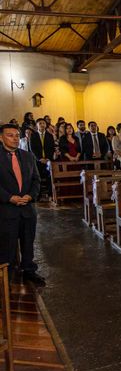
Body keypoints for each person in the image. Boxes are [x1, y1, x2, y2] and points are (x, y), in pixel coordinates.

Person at [0, 123, 45, 286]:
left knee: (28, 243)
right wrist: (8, 197)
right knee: (8, 246)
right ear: (1, 137)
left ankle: (29, 271)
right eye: (10, 135)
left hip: (27, 209)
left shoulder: (28, 156)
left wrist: (30, 196)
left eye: (17, 135)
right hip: (6, 210)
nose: (14, 138)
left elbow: (36, 180)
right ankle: (8, 277)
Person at [30, 118, 55, 200]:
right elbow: (32, 149)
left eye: (43, 123)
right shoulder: (33, 136)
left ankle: (50, 195)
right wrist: (39, 158)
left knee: (49, 177)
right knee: (38, 178)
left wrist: (48, 158)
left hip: (48, 160)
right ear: (37, 125)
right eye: (40, 123)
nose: (42, 125)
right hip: (38, 160)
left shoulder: (50, 135)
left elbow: (52, 148)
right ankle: (38, 195)